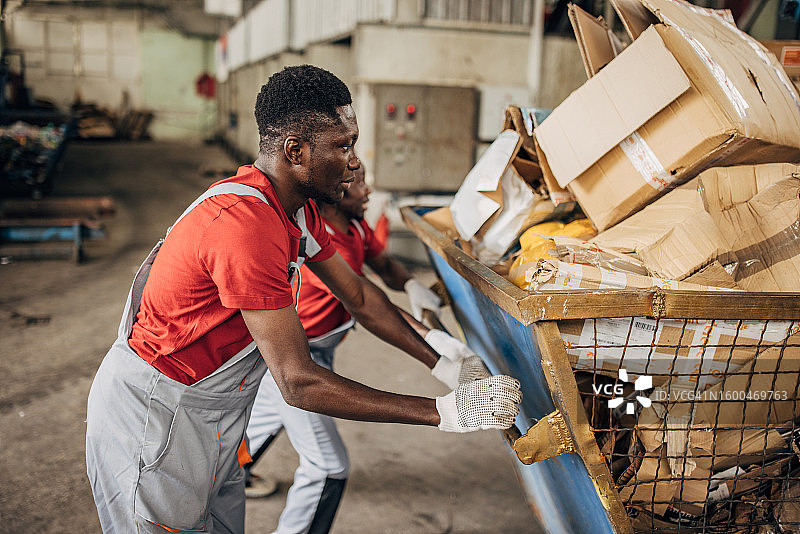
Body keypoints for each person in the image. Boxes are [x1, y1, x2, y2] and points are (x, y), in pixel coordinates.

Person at [85, 64, 522, 534]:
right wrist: (443, 412)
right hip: (157, 418)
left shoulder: (297, 210)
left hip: (217, 412)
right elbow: (298, 382)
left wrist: (444, 363)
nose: (354, 163)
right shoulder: (245, 226)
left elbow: (359, 296)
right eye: (343, 146)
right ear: (296, 152)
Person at [244, 164, 486, 532]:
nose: (367, 191)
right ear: (336, 192)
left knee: (263, 421)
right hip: (291, 357)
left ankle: (229, 474)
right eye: (357, 183)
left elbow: (384, 265)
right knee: (328, 467)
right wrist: (435, 347)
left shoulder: (355, 226)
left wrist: (410, 285)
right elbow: (367, 305)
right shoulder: (321, 243)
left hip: (315, 350)